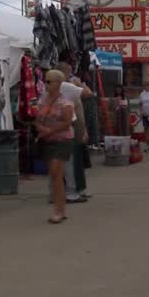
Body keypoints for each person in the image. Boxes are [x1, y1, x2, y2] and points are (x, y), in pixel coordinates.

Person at [35, 70, 75, 224]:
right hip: (47, 140)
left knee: (56, 171)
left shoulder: (65, 101)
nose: (45, 84)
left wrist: (50, 130)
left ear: (58, 84)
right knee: (54, 175)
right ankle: (61, 208)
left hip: (62, 140)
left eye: (49, 81)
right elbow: (37, 118)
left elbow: (67, 123)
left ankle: (59, 210)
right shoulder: (43, 100)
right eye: (45, 81)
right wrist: (40, 128)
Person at [54, 62, 93, 202]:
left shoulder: (66, 87)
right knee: (70, 162)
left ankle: (78, 189)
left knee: (76, 161)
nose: (71, 75)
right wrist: (80, 83)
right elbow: (88, 93)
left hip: (76, 128)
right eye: (68, 72)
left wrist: (84, 130)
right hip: (70, 128)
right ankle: (71, 191)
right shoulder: (66, 86)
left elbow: (79, 107)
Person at [139, 82, 149, 150]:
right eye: (144, 85)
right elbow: (140, 104)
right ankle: (148, 145)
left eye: (146, 85)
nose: (145, 87)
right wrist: (141, 113)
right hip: (145, 114)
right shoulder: (142, 93)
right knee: (146, 129)